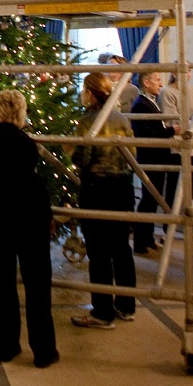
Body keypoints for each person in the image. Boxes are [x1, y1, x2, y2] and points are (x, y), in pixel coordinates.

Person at [0, 89, 58, 368]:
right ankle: (43, 350)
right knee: (37, 284)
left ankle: (6, 346)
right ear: (21, 112)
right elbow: (33, 179)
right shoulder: (26, 142)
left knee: (1, 281)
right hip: (30, 216)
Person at [69, 72, 137, 328]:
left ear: (89, 92)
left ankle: (102, 312)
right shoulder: (121, 118)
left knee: (98, 251)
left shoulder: (88, 121)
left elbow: (82, 159)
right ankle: (127, 305)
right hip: (122, 187)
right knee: (121, 247)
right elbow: (132, 153)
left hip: (96, 189)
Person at [160, 70, 193, 244]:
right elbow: (172, 121)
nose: (187, 74)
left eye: (189, 71)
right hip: (178, 145)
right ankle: (169, 227)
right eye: (183, 71)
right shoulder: (167, 92)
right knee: (174, 186)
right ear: (174, 73)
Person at [130, 71, 176, 253]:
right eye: (157, 79)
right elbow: (149, 135)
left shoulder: (149, 102)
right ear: (146, 82)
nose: (160, 83)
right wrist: (172, 130)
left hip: (157, 157)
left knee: (152, 200)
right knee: (148, 201)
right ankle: (141, 242)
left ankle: (147, 238)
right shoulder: (141, 105)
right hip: (150, 158)